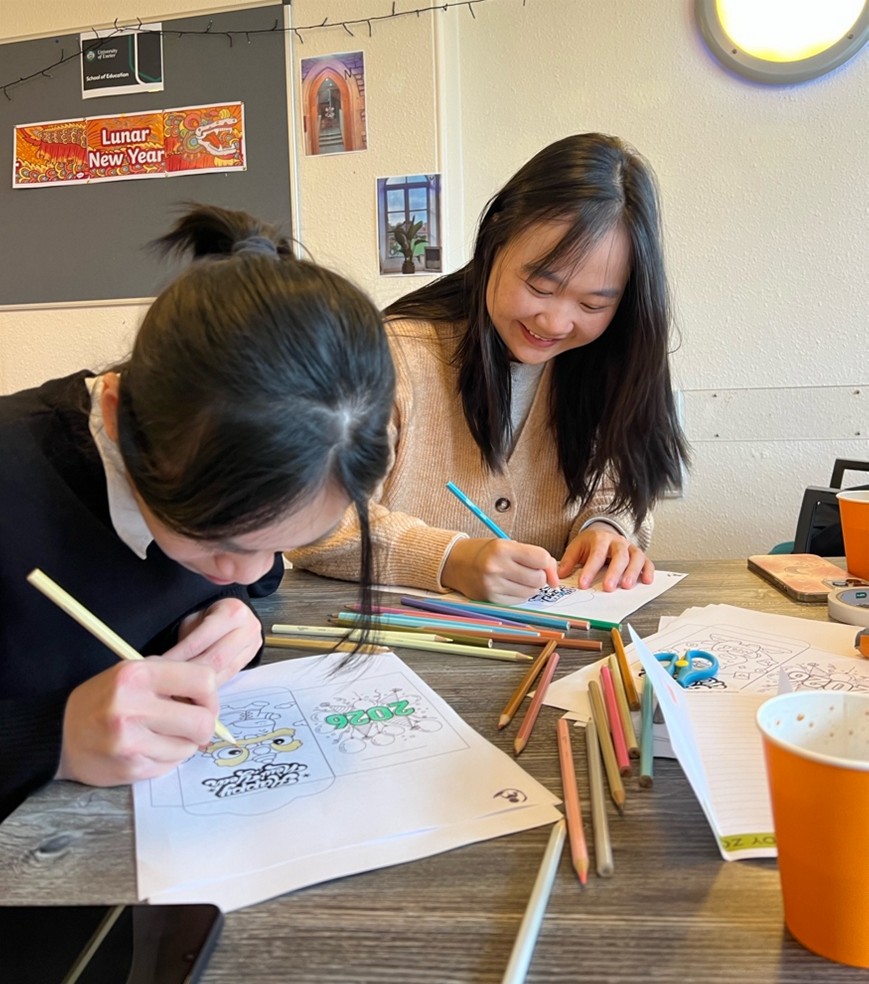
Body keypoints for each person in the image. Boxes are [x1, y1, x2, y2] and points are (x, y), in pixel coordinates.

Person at [0, 204, 394, 822]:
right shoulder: (18, 485)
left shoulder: (224, 491)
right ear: (115, 417)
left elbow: (250, 578)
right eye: (221, 542)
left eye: (281, 543)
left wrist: (231, 614)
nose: (255, 569)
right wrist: (53, 737)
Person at [289, 133, 689, 604]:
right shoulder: (392, 357)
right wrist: (450, 559)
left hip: (552, 638)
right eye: (541, 287)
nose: (556, 322)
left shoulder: (607, 358)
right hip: (394, 637)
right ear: (496, 237)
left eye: (592, 304)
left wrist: (606, 528)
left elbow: (618, 485)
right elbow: (310, 521)